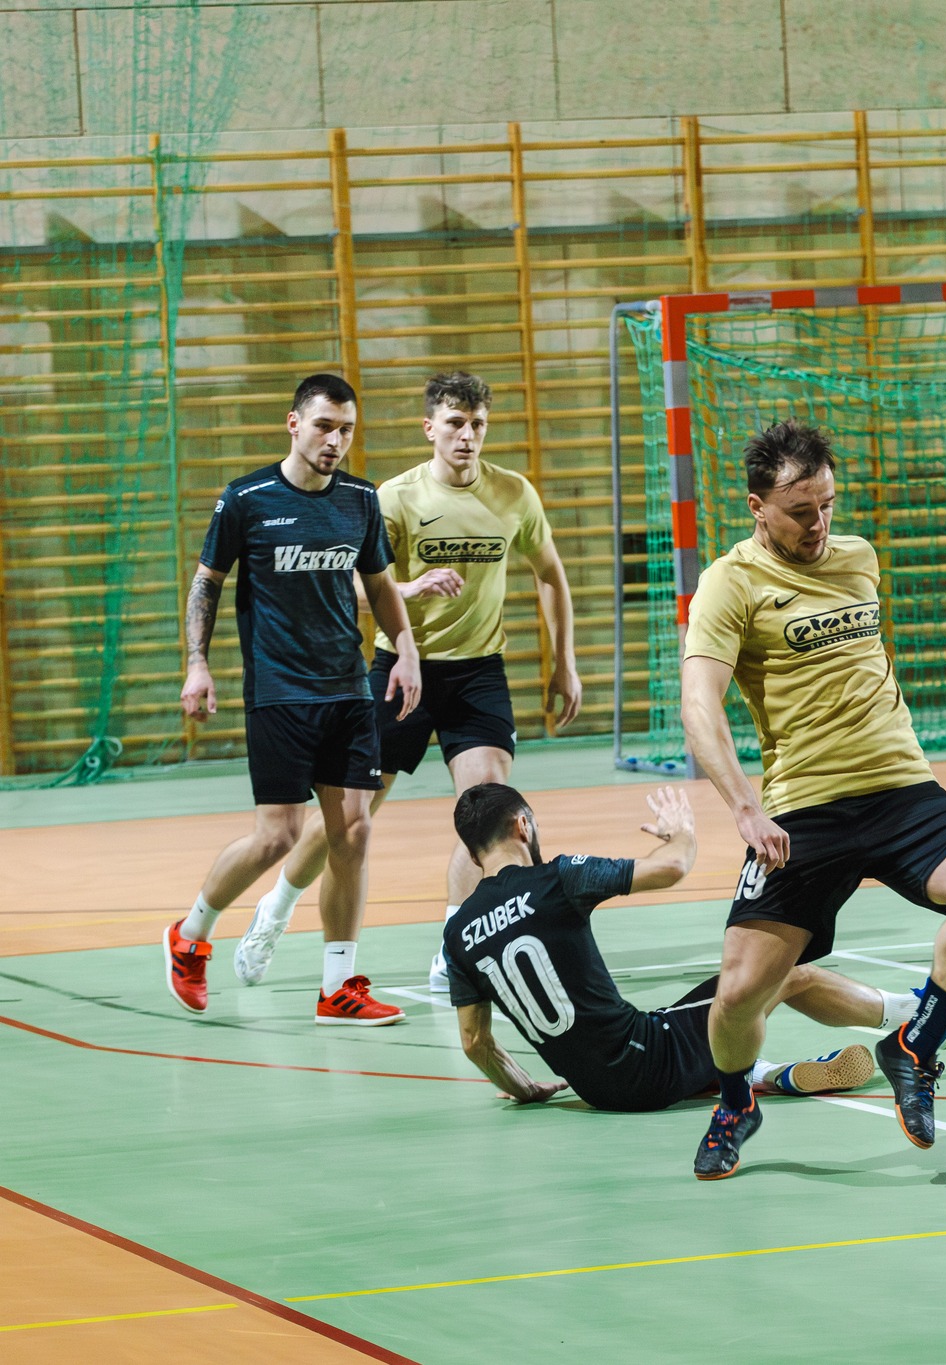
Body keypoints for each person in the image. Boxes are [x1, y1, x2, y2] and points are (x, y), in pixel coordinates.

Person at [681, 419, 946, 1179]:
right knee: (738, 995)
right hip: (804, 807)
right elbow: (699, 706)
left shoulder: (859, 558)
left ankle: (914, 1047)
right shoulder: (729, 584)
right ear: (757, 507)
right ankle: (735, 1102)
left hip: (901, 786)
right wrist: (744, 805)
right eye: (800, 511)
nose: (818, 523)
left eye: (828, 505)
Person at [240, 372, 582, 994]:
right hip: (401, 670)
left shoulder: (514, 494)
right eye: (455, 423)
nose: (467, 435)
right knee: (348, 819)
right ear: (430, 428)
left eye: (478, 424)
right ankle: (277, 907)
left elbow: (551, 573)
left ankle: (454, 946)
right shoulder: (395, 499)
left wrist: (565, 661)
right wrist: (411, 587)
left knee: (488, 810)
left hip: (478, 672)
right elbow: (346, 584)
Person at [168, 373, 422, 1025]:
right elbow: (206, 583)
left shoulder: (360, 500)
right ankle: (191, 934)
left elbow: (380, 583)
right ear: (294, 424)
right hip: (280, 692)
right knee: (277, 836)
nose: (335, 440)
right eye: (324, 426)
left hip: (347, 688)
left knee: (353, 830)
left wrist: (406, 647)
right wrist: (197, 663)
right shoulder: (246, 499)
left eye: (346, 430)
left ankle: (338, 985)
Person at [446, 783, 897, 1119]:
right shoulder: (555, 879)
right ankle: (914, 1021)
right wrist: (679, 832)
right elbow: (672, 867)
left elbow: (475, 1042)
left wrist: (526, 1089)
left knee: (702, 1026)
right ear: (522, 825)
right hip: (649, 1059)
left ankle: (766, 1074)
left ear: (472, 852)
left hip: (600, 1092)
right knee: (779, 973)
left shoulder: (458, 932)